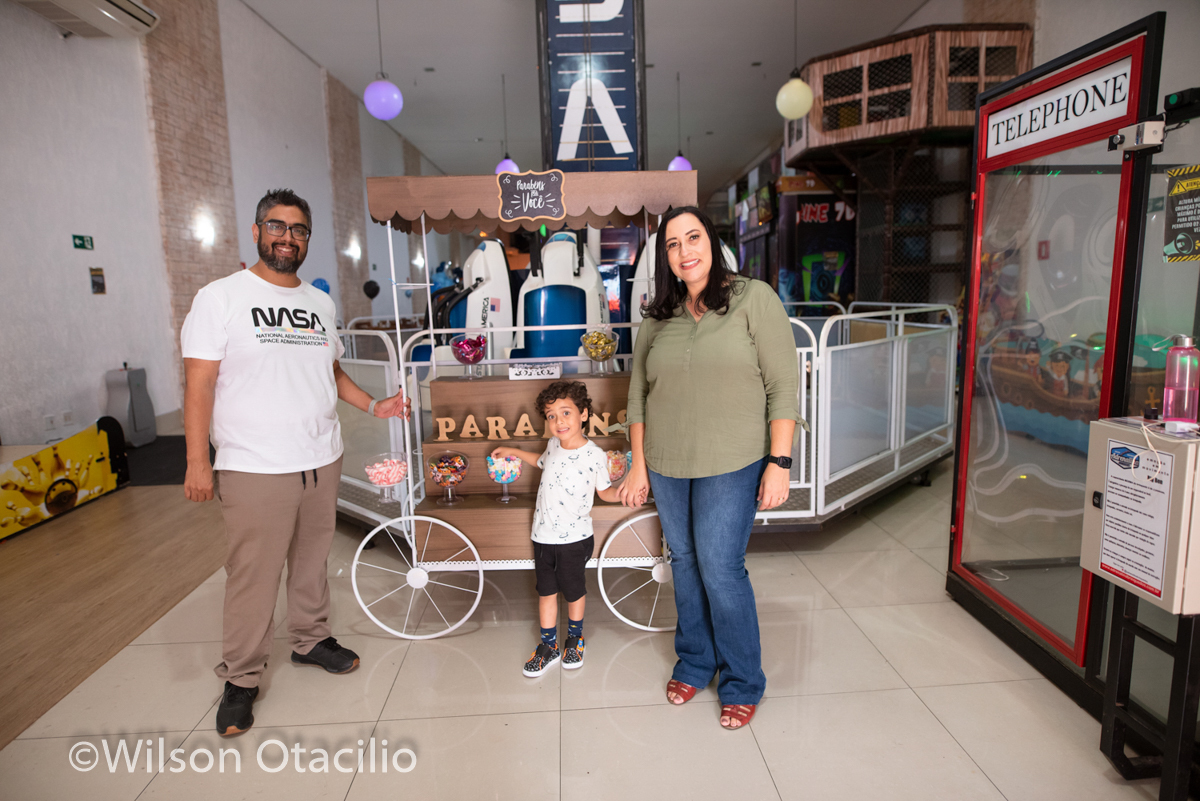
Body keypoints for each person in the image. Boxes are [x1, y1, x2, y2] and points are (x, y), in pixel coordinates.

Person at [181, 188, 410, 737]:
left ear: (307, 239)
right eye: (277, 227)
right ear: (257, 231)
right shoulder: (220, 297)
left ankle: (310, 639)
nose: (288, 237)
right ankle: (241, 677)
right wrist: (197, 461)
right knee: (253, 575)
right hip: (254, 465)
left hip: (320, 457)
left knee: (311, 562)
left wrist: (374, 405)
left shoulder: (319, 304)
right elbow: (199, 383)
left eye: (298, 230)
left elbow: (330, 372)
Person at [620, 206, 800, 730]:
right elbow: (638, 397)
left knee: (720, 567)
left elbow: (782, 386)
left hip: (733, 458)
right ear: (665, 257)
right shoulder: (659, 317)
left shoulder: (753, 298)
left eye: (693, 237)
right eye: (672, 244)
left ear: (713, 243)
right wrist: (638, 467)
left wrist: (780, 462)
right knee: (683, 561)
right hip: (668, 461)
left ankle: (742, 680)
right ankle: (696, 661)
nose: (684, 251)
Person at [490, 380, 623, 677]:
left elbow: (605, 492)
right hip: (542, 536)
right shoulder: (552, 445)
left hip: (575, 540)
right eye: (551, 416)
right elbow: (540, 462)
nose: (559, 421)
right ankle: (548, 646)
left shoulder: (594, 455)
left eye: (566, 413)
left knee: (573, 591)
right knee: (546, 591)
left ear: (583, 414)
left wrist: (627, 494)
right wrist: (512, 451)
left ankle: (575, 640)